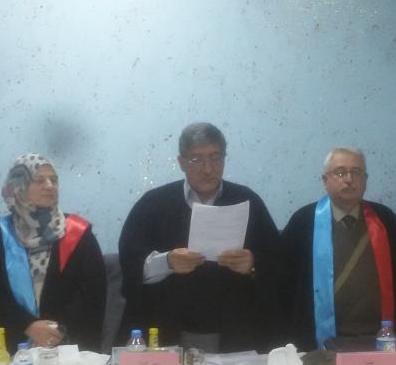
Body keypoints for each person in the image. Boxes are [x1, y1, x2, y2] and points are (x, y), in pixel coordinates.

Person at [118, 122, 283, 353]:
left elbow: (278, 261)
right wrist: (167, 262)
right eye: (196, 159)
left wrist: (253, 265)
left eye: (216, 158)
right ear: (181, 162)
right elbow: (130, 266)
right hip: (165, 327)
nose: (208, 169)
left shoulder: (247, 200)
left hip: (237, 330)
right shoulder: (153, 203)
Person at [0, 154, 106, 353]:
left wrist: (55, 333)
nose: (49, 186)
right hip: (10, 349)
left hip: (67, 349)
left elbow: (93, 296)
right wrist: (27, 325)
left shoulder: (79, 234)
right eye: (39, 180)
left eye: (54, 180)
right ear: (18, 186)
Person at [281, 147, 396, 351]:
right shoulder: (303, 221)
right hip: (320, 341)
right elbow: (285, 281)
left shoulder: (386, 220)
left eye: (356, 172)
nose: (349, 179)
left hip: (379, 338)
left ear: (365, 180)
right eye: (340, 172)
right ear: (325, 180)